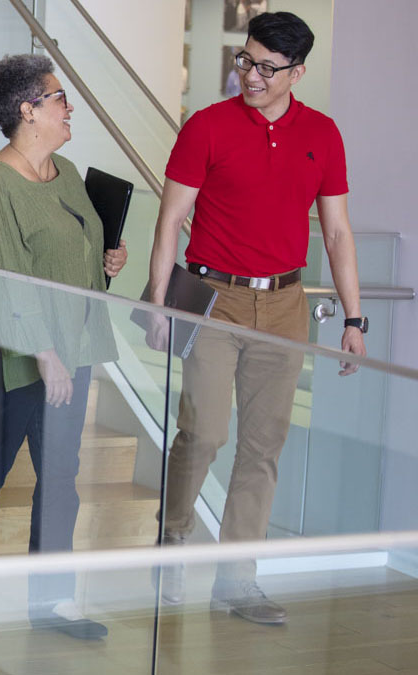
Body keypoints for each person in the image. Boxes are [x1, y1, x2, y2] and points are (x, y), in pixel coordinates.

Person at [146, 12, 366, 625]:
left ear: (297, 72)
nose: (250, 75)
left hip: (287, 306)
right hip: (214, 299)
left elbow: (339, 232)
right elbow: (169, 221)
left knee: (263, 446)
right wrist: (160, 303)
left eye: (267, 67)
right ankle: (172, 541)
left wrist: (354, 317)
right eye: (246, 60)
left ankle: (237, 581)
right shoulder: (207, 126)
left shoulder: (322, 133)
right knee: (206, 432)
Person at [0, 54, 127, 641]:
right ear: (29, 110)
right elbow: (5, 282)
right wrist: (45, 356)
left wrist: (107, 261)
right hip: (10, 357)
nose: (68, 106)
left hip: (70, 348)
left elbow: (72, 255)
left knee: (61, 476)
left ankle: (52, 601)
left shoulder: (66, 172)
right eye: (58, 97)